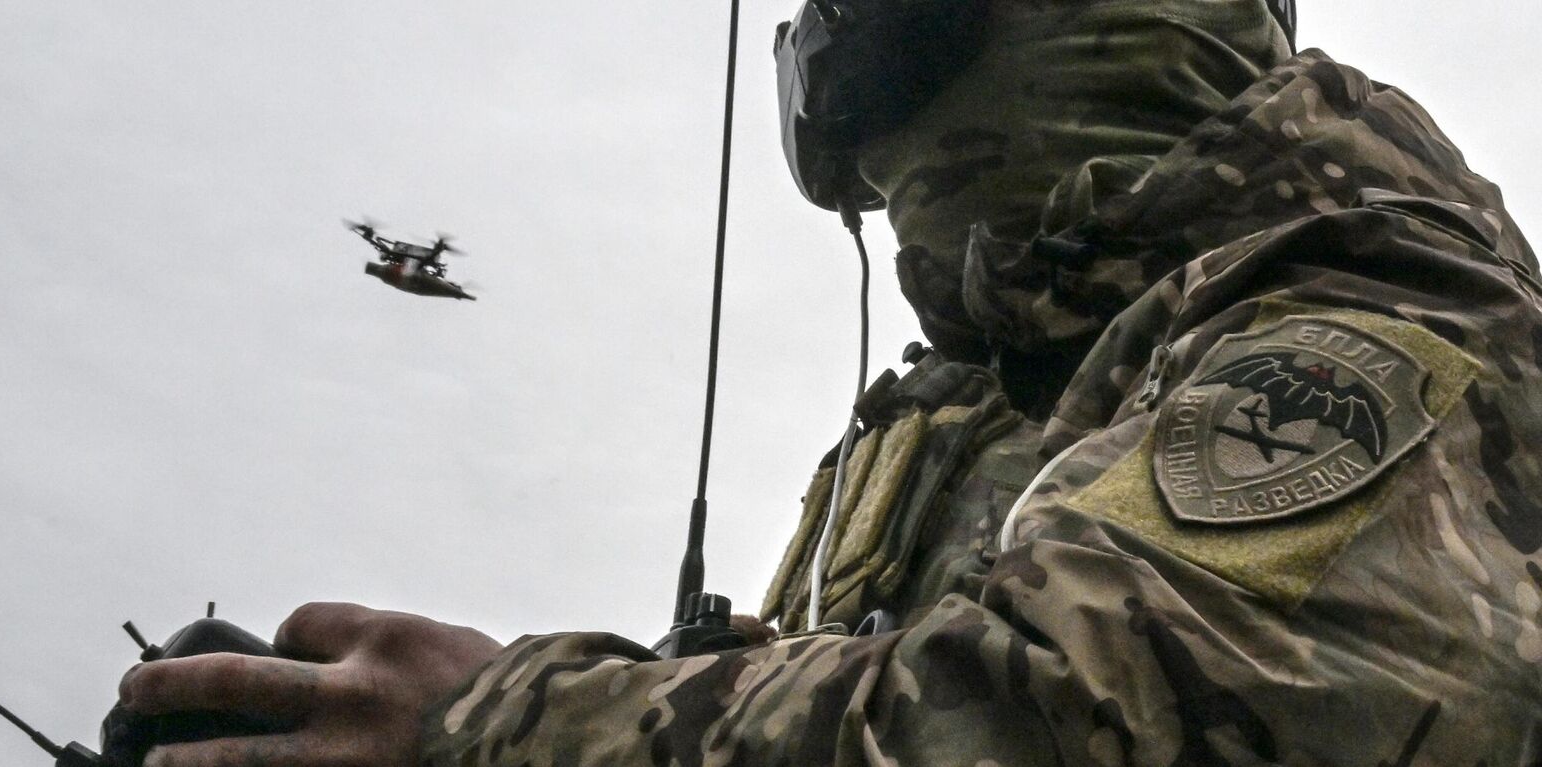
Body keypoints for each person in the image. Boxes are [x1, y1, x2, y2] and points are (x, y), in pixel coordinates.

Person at [118, 0, 1542, 763]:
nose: (838, 96)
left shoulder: (1372, 318)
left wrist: (490, 729)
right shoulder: (975, 412)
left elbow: (1076, 723)